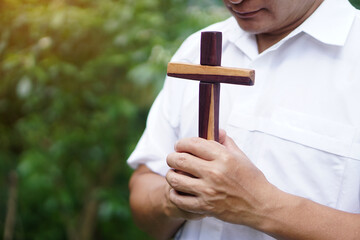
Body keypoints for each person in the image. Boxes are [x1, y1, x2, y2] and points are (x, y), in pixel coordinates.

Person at [128, 0, 360, 239]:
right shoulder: (197, 48)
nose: (235, 0)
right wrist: (173, 200)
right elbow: (144, 190)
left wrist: (262, 207)